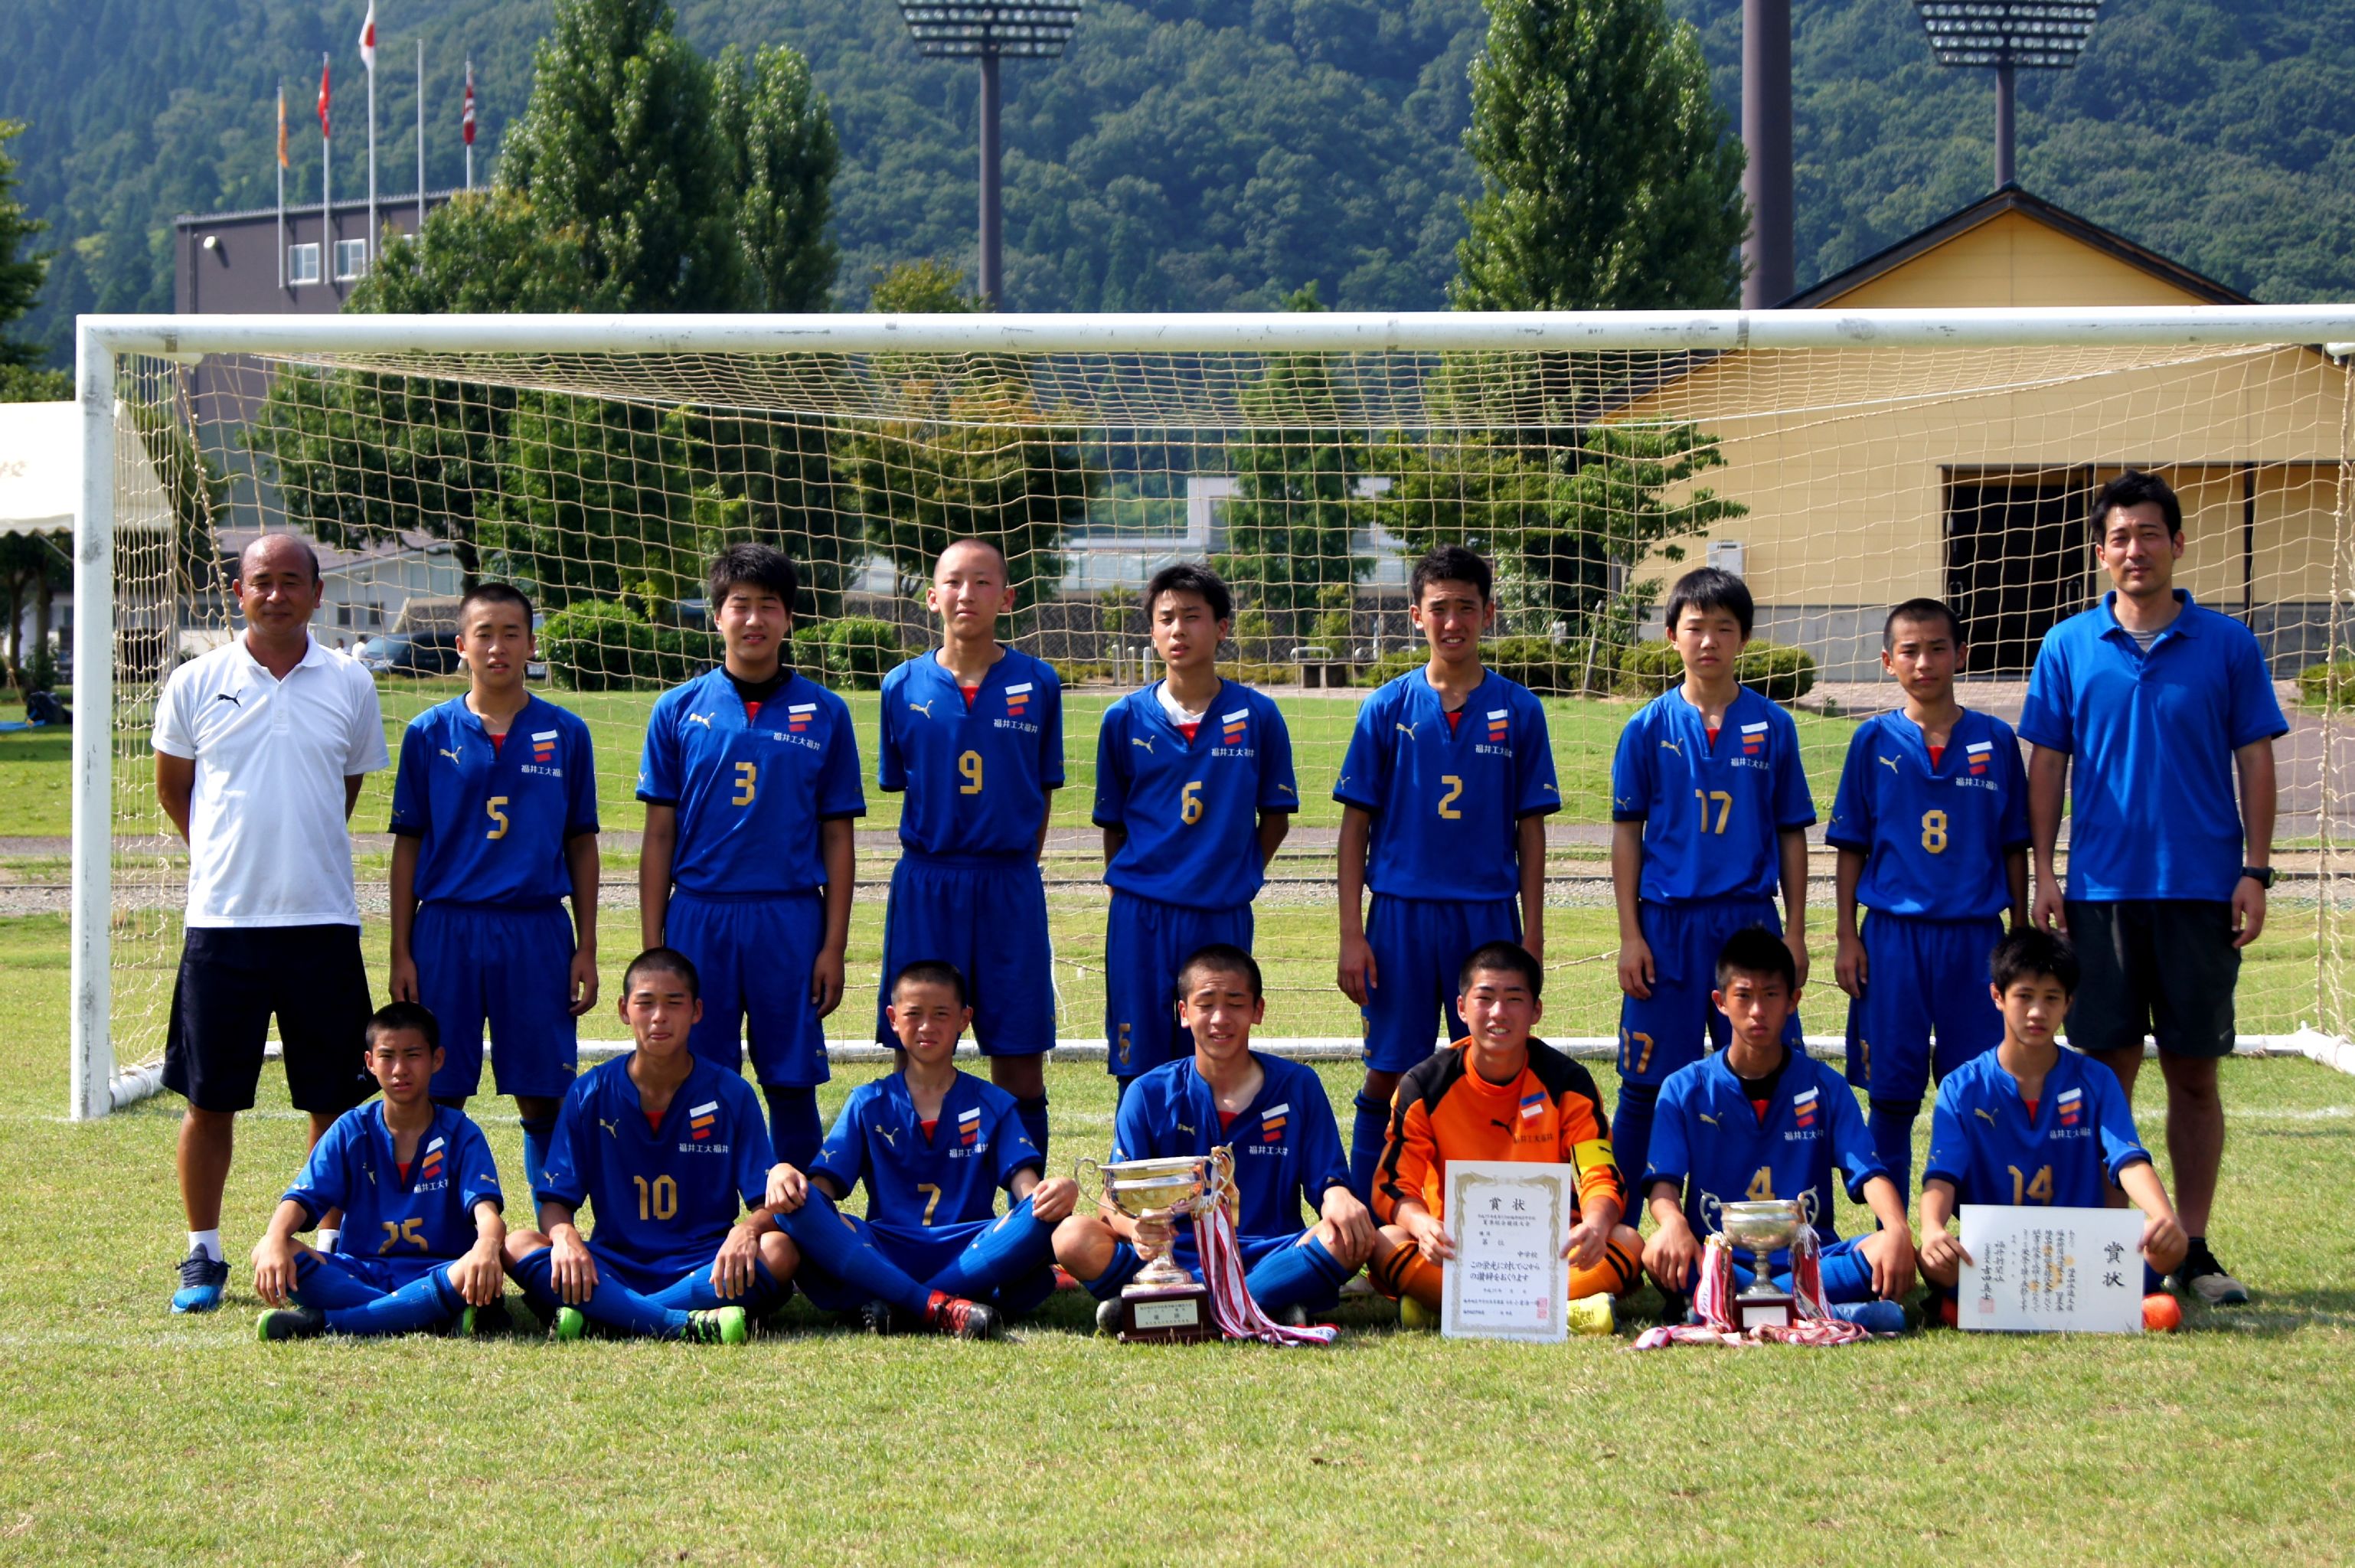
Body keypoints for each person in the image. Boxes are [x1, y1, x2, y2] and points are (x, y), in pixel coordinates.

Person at [2020, 469, 2286, 1305]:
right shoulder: (2067, 645)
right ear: (2100, 553)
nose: (2134, 549)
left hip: (2202, 891)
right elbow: (2047, 765)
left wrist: (2254, 870)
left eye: (2148, 533)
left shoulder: (2229, 644)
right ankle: (2115, 1248)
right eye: (2119, 537)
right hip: (2099, 895)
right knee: (2107, 1072)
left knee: (2194, 1074)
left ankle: (2192, 1247)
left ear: (2177, 543)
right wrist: (2044, 871)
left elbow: (2255, 759)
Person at [504, 948, 1001, 1341]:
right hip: (617, 1261)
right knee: (519, 1242)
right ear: (623, 1011)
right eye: (646, 1003)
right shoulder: (590, 1092)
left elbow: (766, 1202)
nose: (659, 1017)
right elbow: (556, 1200)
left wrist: (745, 1231)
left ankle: (605, 1315)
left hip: (709, 1263)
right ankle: (676, 1323)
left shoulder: (730, 1093)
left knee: (779, 1248)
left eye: (674, 1003)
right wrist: (565, 1236)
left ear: (697, 1012)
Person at [152, 533, 388, 1313]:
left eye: (292, 581)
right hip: (223, 925)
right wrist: (228, 860)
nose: (277, 594)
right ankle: (203, 1250)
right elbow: (175, 790)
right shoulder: (195, 681)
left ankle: (329, 1248)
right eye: (263, 581)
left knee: (332, 1099)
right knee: (209, 1099)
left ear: (317, 593)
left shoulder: (350, 681)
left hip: (323, 922)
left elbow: (344, 786)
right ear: (238, 592)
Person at [1335, 545, 1560, 1200]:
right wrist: (1351, 933)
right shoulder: (1386, 707)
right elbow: (1354, 830)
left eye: (1467, 607)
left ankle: (1492, 1217)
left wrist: (1533, 935)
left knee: (1494, 1069)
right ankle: (1370, 1217)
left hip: (1486, 916)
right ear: (1416, 615)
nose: (1453, 621)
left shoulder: (1520, 710)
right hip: (1400, 918)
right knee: (1389, 1071)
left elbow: (1531, 832)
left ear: (1489, 614)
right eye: (1440, 608)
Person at [637, 545, 862, 1170]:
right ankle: (704, 1215)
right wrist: (654, 947)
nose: (754, 619)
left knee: (791, 1079)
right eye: (740, 605)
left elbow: (838, 839)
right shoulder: (677, 708)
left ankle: (799, 1217)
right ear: (718, 616)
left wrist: (833, 946)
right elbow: (659, 835)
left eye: (769, 606)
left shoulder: (826, 711)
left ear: (789, 618)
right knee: (696, 1077)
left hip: (788, 918)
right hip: (699, 915)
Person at [1608, 567, 1815, 1193]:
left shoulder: (1773, 726)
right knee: (1645, 1083)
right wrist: (1630, 935)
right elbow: (1627, 834)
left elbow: (1792, 834)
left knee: (1768, 1073)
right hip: (1666, 926)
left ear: (1744, 638)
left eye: (1724, 628)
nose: (1709, 641)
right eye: (1695, 627)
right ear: (1672, 636)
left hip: (1749, 922)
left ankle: (1778, 1221)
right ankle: (1617, 1226)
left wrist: (1796, 933)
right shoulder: (1646, 727)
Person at [387, 583, 599, 1191]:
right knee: (436, 1091)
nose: (497, 647)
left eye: (511, 634)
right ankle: (435, 1225)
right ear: (461, 645)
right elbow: (407, 847)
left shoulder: (566, 732)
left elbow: (581, 843)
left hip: (535, 928)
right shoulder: (428, 732)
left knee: (544, 1092)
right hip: (446, 928)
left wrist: (586, 946)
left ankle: (552, 1224)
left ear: (532, 645)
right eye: (484, 634)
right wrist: (401, 951)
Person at [1054, 944, 1373, 1330]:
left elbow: (1329, 1181)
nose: (1220, 1018)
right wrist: (1136, 1228)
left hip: (1271, 1254)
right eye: (1206, 1005)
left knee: (1350, 1237)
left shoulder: (1298, 1086)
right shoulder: (1149, 1092)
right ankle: (1261, 1304)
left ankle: (1173, 1311)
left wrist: (1338, 1196)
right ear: (1184, 1013)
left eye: (1235, 1004)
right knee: (1072, 1237)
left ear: (1257, 1011)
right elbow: (1113, 1199)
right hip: (1174, 1258)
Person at [1827, 598, 2029, 1201]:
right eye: (1910, 651)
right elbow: (1851, 848)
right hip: (1893, 939)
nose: (1925, 662)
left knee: (1981, 1092)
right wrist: (1846, 935)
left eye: (1938, 648)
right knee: (1891, 1094)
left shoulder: (1996, 739)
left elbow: (2014, 846)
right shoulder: (1872, 740)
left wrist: (2020, 932)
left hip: (1976, 940)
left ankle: (1976, 1232)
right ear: (1888, 661)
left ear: (1961, 654)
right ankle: (1890, 1234)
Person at [874, 538, 1063, 1155]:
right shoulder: (901, 685)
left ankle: (1026, 1203)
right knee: (918, 1051)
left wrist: (1013, 865)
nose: (967, 594)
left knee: (1020, 1060)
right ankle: (910, 1194)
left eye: (983, 582)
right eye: (954, 582)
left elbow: (1041, 789)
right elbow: (900, 783)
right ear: (932, 598)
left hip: (1008, 885)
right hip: (928, 883)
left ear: (1006, 598)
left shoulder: (1038, 682)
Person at [1638, 929, 1914, 1330]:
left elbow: (1869, 1173)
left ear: (1792, 1001)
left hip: (1810, 1262)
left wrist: (1898, 1228)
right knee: (1656, 1250)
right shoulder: (1684, 1088)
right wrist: (1673, 1223)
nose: (1757, 1011)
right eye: (1744, 996)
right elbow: (1663, 1184)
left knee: (1883, 1246)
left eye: (1770, 995)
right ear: (1720, 1002)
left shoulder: (1825, 1086)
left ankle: (1732, 1307)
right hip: (1720, 1258)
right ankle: (1829, 1312)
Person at [1093, 564, 1296, 1096]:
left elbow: (1276, 819)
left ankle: (1210, 1153)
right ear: (1152, 632)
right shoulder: (1123, 718)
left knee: (1215, 1056)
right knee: (1138, 1061)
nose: (1178, 629)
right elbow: (1114, 825)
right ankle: (1139, 1151)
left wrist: (1238, 873)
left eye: (1192, 616)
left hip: (1219, 913)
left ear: (1222, 627)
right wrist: (1128, 887)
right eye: (1166, 619)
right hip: (1141, 916)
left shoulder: (1258, 716)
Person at [782, 961, 1080, 1325]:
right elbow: (819, 1194)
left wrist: (1058, 1192)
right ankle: (937, 1304)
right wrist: (785, 1177)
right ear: (893, 1019)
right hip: (885, 1247)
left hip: (971, 1247)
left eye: (941, 1014)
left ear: (964, 1019)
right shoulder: (868, 1102)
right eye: (914, 1014)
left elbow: (1029, 1195)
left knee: (1044, 1214)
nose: (926, 1026)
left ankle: (902, 1301)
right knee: (793, 1207)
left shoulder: (994, 1103)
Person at [1367, 942, 1640, 1334]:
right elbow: (1393, 1185)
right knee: (1385, 1241)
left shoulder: (1568, 1082)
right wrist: (1422, 1223)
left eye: (1514, 999)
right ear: (1462, 1008)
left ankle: (1443, 1307)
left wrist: (1596, 1223)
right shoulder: (1424, 1085)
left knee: (1628, 1242)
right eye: (1485, 998)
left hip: (1551, 1249)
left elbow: (1600, 1174)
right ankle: (1558, 1310)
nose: (1498, 1012)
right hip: (1455, 1249)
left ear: (1536, 1011)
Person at [1918, 930, 2188, 1324]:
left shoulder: (2096, 1079)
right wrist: (1931, 1229)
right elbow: (1942, 1175)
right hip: (2000, 1253)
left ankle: (1972, 1310)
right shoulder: (1962, 1086)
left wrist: (2163, 1215)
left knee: (2172, 1248)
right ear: (1998, 996)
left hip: (2081, 1250)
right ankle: (2119, 1307)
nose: (2037, 1012)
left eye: (2051, 998)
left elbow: (2128, 1160)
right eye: (2024, 996)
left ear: (2069, 1003)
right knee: (1933, 1262)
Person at [251, 1002, 508, 1340]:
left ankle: (329, 1323)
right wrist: (274, 1238)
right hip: (361, 1272)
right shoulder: (352, 1129)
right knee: (270, 1250)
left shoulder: (461, 1133)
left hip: (442, 1271)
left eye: (413, 1055)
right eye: (387, 1056)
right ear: (370, 1062)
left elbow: (487, 1214)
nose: (400, 1069)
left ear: (437, 1059)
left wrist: (487, 1244)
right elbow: (300, 1199)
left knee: (468, 1268)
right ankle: (427, 1313)